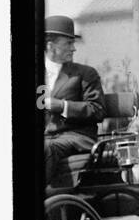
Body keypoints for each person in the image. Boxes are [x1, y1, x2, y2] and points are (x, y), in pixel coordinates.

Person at [43, 14, 105, 187]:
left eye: (73, 43)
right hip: (48, 137)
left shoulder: (85, 74)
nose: (73, 48)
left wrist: (62, 106)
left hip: (77, 137)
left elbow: (97, 109)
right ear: (50, 45)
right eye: (68, 43)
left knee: (45, 148)